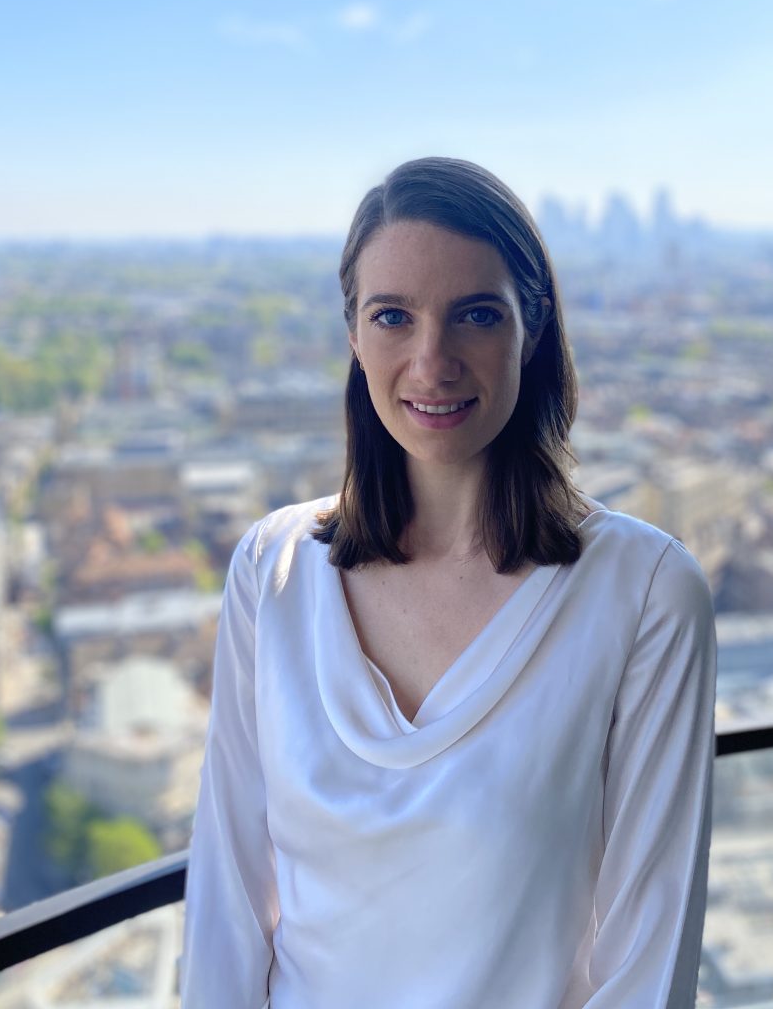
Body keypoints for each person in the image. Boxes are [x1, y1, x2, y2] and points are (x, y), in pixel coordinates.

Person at [180, 156, 717, 1008]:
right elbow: (228, 907)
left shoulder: (646, 594)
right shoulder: (271, 571)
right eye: (393, 316)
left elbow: (647, 966)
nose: (432, 363)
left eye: (476, 315)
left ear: (531, 330)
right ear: (353, 335)